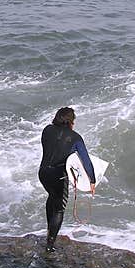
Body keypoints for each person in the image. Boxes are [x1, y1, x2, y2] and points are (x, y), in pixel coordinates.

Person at [38, 107, 95, 252]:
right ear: (71, 121)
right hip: (58, 175)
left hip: (43, 173)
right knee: (59, 209)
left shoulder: (47, 130)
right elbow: (86, 160)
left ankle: (49, 232)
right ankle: (50, 245)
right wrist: (92, 180)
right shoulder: (75, 137)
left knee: (52, 197)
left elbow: (52, 147)